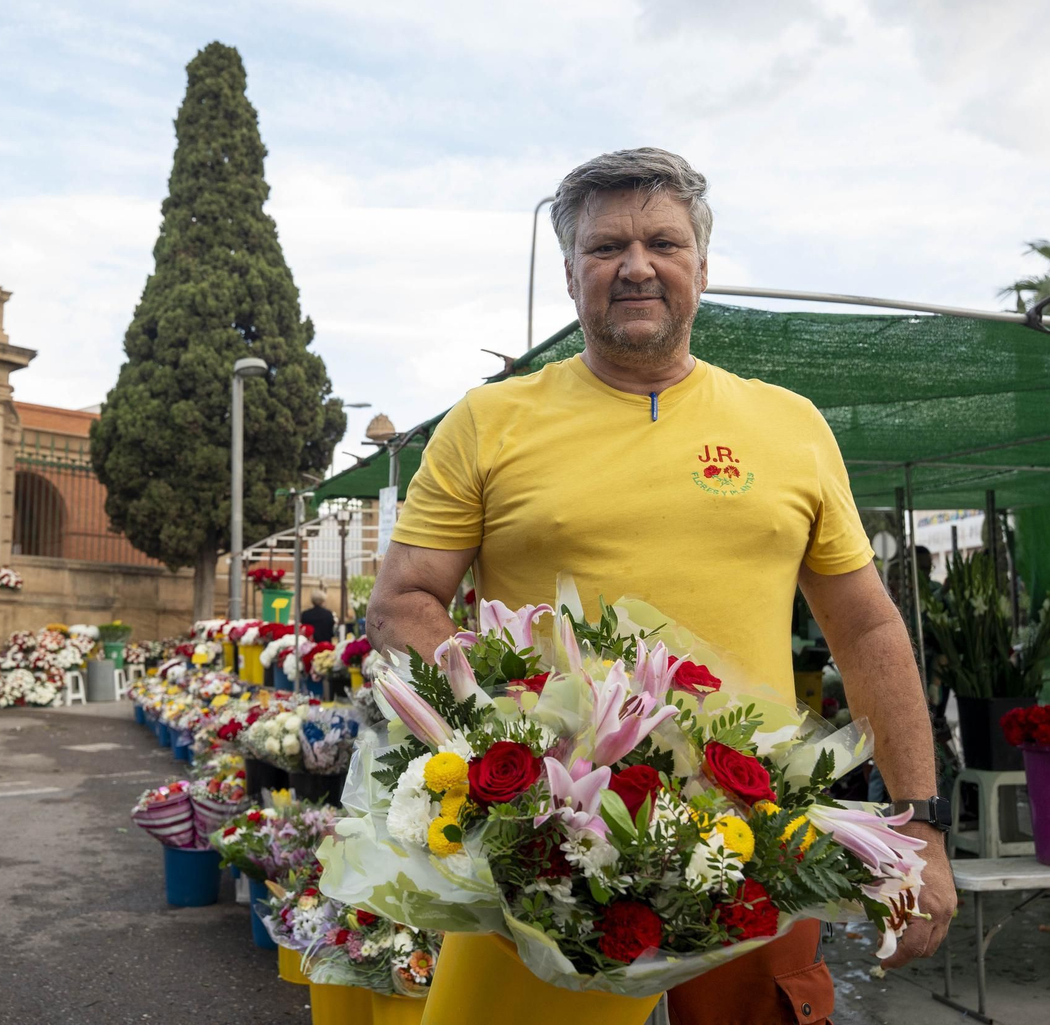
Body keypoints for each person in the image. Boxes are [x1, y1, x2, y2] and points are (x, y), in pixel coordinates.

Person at [367, 148, 955, 1024]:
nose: (636, 265)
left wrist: (920, 827)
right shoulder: (488, 421)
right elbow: (404, 600)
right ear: (570, 273)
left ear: (701, 268)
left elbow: (866, 627)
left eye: (662, 242)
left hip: (761, 843)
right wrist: (512, 748)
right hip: (544, 851)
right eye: (606, 247)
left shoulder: (789, 425)